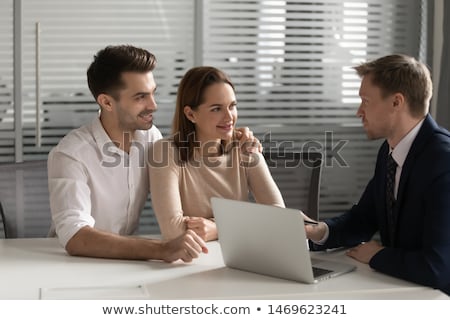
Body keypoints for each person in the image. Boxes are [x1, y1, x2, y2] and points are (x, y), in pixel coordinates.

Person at [47, 45, 209, 262]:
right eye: (140, 97)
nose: (154, 105)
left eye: (153, 93)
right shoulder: (70, 154)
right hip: (70, 263)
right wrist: (162, 249)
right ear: (106, 102)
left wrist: (231, 140)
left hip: (127, 259)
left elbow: (187, 185)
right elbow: (76, 237)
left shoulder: (150, 137)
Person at [305, 54, 450, 295]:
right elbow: (363, 219)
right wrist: (318, 231)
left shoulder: (443, 162)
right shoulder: (390, 151)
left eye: (366, 101)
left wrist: (377, 255)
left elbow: (438, 267)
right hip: (401, 289)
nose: (359, 112)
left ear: (396, 102)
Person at [148, 66, 286, 241]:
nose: (229, 117)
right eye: (216, 109)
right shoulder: (166, 151)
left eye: (232, 106)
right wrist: (245, 224)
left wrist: (219, 228)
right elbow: (173, 231)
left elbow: (279, 215)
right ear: (191, 114)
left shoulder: (245, 146)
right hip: (194, 257)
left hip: (243, 252)